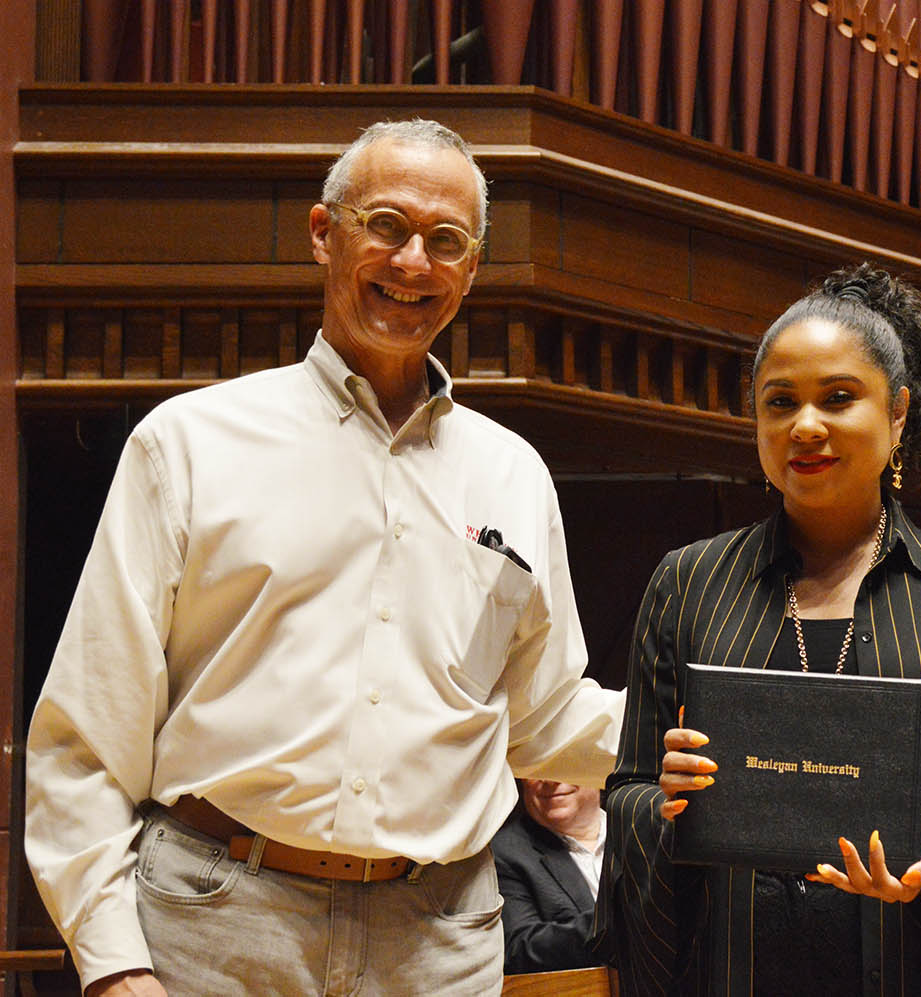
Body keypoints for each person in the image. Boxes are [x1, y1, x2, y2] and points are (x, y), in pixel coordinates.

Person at [25, 119, 622, 997]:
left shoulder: (514, 474)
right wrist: (115, 967)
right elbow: (84, 734)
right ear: (322, 232)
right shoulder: (187, 444)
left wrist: (709, 724)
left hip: (439, 936)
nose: (414, 261)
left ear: (471, 268)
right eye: (386, 225)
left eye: (447, 241)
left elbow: (545, 717)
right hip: (215, 922)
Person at [600, 264, 921, 996]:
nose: (805, 426)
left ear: (897, 412)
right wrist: (667, 800)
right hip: (732, 971)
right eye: (780, 403)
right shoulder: (687, 581)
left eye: (839, 398)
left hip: (908, 966)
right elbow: (628, 791)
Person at [490, 779, 607, 975]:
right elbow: (518, 949)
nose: (551, 780)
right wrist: (612, 924)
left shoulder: (644, 826)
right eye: (538, 768)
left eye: (565, 761)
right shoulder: (504, 853)